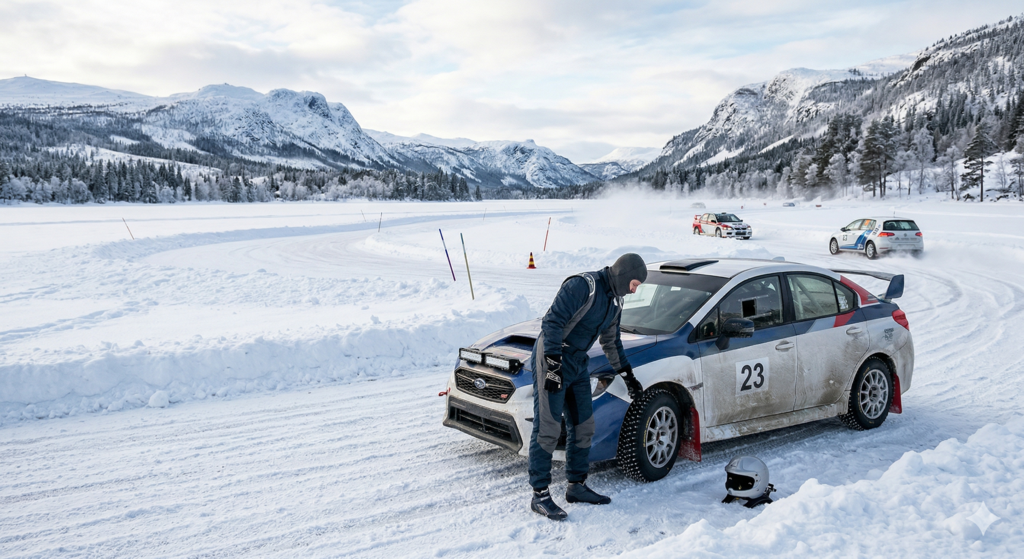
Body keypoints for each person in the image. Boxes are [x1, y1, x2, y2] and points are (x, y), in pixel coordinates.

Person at [528, 253, 648, 521]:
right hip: (553, 355)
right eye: (635, 283)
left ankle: (576, 486)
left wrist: (628, 376)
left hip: (578, 361)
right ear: (624, 274)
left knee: (584, 425)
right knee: (547, 427)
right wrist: (553, 363)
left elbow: (611, 343)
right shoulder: (583, 286)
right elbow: (552, 323)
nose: (634, 289)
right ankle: (540, 495)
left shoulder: (615, 303)